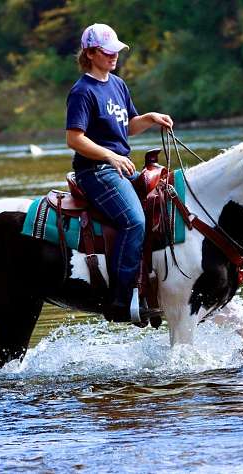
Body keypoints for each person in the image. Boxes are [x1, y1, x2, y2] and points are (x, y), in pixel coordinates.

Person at [65, 23, 173, 322]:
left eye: (116, 51)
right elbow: (75, 138)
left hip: (120, 166)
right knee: (135, 221)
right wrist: (111, 156)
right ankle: (121, 299)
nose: (114, 56)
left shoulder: (118, 84)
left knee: (165, 206)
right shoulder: (82, 91)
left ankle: (155, 286)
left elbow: (124, 127)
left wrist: (149, 118)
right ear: (89, 53)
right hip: (96, 171)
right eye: (107, 51)